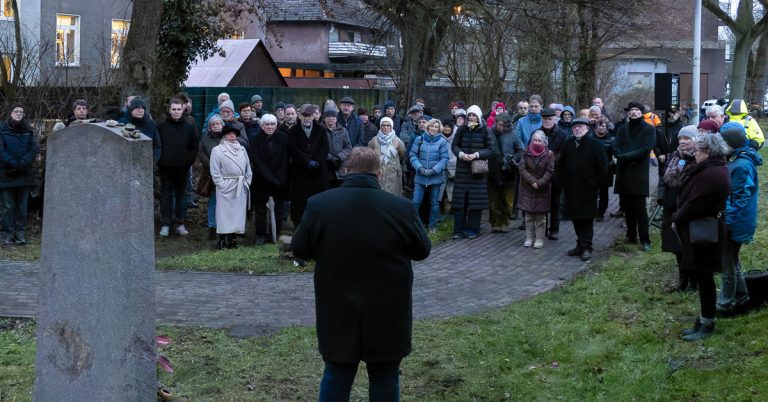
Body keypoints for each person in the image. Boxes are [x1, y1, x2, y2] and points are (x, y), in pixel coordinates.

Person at [291, 147, 430, 402]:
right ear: (379, 173)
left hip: (337, 303)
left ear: (346, 171)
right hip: (388, 306)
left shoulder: (320, 204)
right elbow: (422, 250)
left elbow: (299, 248)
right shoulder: (401, 208)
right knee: (385, 374)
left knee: (337, 370)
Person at [674, 133, 730, 341]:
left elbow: (697, 202)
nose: (694, 153)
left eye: (697, 150)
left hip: (705, 232)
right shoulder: (711, 168)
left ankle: (707, 323)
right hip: (702, 229)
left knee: (705, 277)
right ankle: (704, 318)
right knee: (702, 276)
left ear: (707, 152)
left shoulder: (713, 173)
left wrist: (678, 217)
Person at [717, 123, 762, 316]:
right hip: (734, 219)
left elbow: (740, 197)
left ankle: (725, 304)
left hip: (736, 222)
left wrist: (728, 221)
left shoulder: (742, 164)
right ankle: (742, 296)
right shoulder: (735, 159)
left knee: (727, 263)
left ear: (731, 142)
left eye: (722, 139)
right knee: (732, 260)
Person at [558, 118, 608, 261]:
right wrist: (563, 182)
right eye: (575, 127)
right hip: (571, 189)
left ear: (587, 129)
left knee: (586, 219)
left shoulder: (595, 144)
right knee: (575, 218)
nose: (577, 129)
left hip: (588, 189)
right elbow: (561, 165)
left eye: (580, 127)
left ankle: (587, 247)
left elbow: (603, 167)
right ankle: (580, 244)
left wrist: (595, 183)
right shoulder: (567, 144)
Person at [611, 102, 656, 251]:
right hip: (624, 172)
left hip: (638, 173)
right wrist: (618, 154)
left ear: (641, 112)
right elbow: (615, 144)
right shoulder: (623, 128)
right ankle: (631, 235)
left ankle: (645, 240)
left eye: (637, 110)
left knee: (640, 209)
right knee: (627, 207)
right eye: (632, 110)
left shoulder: (649, 129)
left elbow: (646, 148)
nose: (634, 112)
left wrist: (625, 156)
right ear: (628, 113)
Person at [659, 125, 698, 291]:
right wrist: (661, 197)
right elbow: (664, 178)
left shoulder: (699, 158)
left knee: (689, 246)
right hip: (671, 205)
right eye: (681, 139)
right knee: (675, 245)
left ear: (695, 140)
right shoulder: (675, 156)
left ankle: (693, 281)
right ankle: (682, 280)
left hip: (687, 208)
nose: (682, 142)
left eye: (687, 139)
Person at [156, 98, 200, 237]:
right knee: (166, 196)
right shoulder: (161, 125)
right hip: (165, 168)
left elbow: (194, 146)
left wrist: (187, 162)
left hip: (183, 169)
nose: (176, 112)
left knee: (182, 196)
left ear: (183, 110)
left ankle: (180, 223)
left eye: (178, 109)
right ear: (169, 110)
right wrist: (161, 162)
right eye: (173, 109)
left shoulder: (189, 125)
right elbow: (157, 145)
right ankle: (165, 224)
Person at [451, 105, 496, 239]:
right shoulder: (462, 129)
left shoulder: (485, 131)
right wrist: (461, 154)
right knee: (460, 202)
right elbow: (454, 145)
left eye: (474, 115)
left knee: (475, 202)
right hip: (462, 170)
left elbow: (490, 150)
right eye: (469, 115)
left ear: (479, 116)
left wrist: (477, 154)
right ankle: (458, 230)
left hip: (477, 170)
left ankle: (473, 230)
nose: (471, 117)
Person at [0, 105, 38, 246]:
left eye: (21, 112)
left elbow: (33, 149)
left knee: (22, 207)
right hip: (6, 174)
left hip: (24, 173)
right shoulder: (2, 129)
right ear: (10, 113)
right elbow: (0, 150)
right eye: (16, 111)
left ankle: (20, 234)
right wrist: (11, 162)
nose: (18, 114)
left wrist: (22, 162)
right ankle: (7, 234)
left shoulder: (28, 131)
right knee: (7, 206)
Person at [249, 114, 289, 244]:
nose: (270, 127)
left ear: (276, 125)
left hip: (279, 180)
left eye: (272, 124)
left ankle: (274, 233)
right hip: (261, 180)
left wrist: (279, 179)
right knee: (260, 208)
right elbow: (257, 161)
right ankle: (260, 235)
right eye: (267, 124)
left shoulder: (283, 139)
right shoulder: (255, 140)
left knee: (278, 208)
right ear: (262, 126)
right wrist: (270, 178)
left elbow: (285, 160)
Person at [210, 126, 252, 249]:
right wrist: (222, 185)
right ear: (224, 136)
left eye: (234, 134)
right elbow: (215, 171)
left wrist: (247, 182)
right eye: (229, 134)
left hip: (240, 185)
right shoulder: (217, 150)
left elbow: (248, 167)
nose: (232, 136)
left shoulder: (242, 149)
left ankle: (232, 238)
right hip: (226, 185)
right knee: (224, 214)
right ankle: (222, 238)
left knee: (237, 214)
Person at [287, 104, 329, 226]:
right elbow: (292, 149)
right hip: (300, 172)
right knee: (300, 201)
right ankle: (299, 226)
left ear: (313, 116)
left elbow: (325, 148)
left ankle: (318, 224)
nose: (306, 118)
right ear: (299, 116)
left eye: (309, 115)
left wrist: (317, 161)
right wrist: (306, 161)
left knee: (318, 199)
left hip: (318, 171)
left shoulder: (321, 129)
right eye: (304, 115)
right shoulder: (293, 131)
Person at [410, 118, 450, 233]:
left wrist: (434, 170)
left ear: (439, 129)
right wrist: (419, 168)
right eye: (432, 126)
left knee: (434, 203)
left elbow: (444, 159)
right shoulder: (419, 139)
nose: (433, 129)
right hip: (420, 176)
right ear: (428, 127)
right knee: (416, 202)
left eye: (436, 127)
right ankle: (415, 225)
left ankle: (433, 225)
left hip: (435, 177)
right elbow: (412, 155)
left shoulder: (442, 142)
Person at [488, 113, 523, 233]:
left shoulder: (513, 134)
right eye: (499, 125)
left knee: (507, 201)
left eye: (504, 125)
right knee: (494, 200)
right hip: (493, 171)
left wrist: (514, 158)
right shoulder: (489, 133)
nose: (501, 128)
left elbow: (520, 149)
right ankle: (495, 222)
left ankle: (505, 221)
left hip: (509, 171)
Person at [518, 130, 554, 249]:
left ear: (544, 142)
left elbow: (550, 171)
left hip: (542, 189)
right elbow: (522, 169)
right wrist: (532, 181)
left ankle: (539, 239)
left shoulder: (549, 154)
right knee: (528, 216)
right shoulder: (525, 151)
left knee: (541, 217)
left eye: (539, 140)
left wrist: (539, 183)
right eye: (535, 140)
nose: (536, 142)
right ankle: (529, 237)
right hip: (528, 187)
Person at [539, 108, 567, 239]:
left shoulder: (562, 134)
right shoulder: (537, 133)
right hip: (540, 173)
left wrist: (550, 160)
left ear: (554, 119)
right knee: (541, 202)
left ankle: (554, 229)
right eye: (545, 119)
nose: (547, 121)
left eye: (550, 119)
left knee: (555, 203)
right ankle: (542, 228)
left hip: (557, 173)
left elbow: (563, 152)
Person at [199, 115, 225, 239]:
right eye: (213, 124)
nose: (215, 126)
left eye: (218, 123)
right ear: (209, 126)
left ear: (222, 125)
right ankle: (212, 226)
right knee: (213, 201)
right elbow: (201, 153)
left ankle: (224, 225)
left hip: (226, 173)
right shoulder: (205, 138)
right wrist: (212, 165)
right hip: (210, 173)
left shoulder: (227, 137)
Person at [368, 116, 406, 196]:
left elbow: (402, 155)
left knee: (391, 195)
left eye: (388, 125)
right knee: (378, 194)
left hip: (392, 173)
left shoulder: (398, 141)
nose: (385, 127)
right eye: (383, 125)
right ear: (380, 126)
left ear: (391, 127)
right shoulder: (374, 140)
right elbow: (369, 154)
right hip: (377, 172)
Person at [119, 97, 161, 165]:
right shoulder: (123, 122)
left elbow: (157, 145)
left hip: (146, 163)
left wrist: (153, 161)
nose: (140, 110)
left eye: (142, 108)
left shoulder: (151, 124)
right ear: (131, 109)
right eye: (137, 108)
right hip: (125, 162)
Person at [592, 116, 615, 221]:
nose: (601, 128)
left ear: (607, 127)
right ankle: (592, 210)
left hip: (606, 169)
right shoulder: (591, 138)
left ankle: (601, 212)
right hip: (593, 169)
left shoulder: (612, 139)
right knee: (592, 191)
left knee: (603, 192)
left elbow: (615, 154)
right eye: (599, 126)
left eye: (603, 126)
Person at [322, 108, 352, 188]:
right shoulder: (319, 131)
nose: (331, 118)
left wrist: (338, 157)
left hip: (341, 167)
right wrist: (330, 157)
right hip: (325, 167)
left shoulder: (343, 131)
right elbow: (318, 148)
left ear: (336, 118)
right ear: (324, 118)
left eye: (333, 116)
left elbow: (348, 148)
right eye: (329, 116)